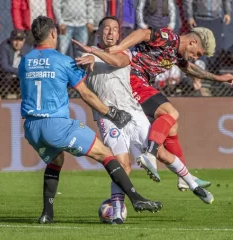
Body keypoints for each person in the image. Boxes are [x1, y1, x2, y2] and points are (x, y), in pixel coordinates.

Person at [19, 16, 163, 224]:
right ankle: (136, 198)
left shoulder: (25, 61)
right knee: (106, 154)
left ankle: (47, 214)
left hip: (32, 128)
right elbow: (87, 95)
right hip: (57, 125)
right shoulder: (63, 61)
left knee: (56, 161)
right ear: (53, 34)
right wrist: (111, 113)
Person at [73, 16, 214, 223]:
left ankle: (193, 185)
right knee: (123, 165)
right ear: (98, 32)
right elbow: (79, 82)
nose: (111, 33)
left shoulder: (123, 52)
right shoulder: (84, 55)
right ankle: (118, 212)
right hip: (109, 117)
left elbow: (118, 61)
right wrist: (90, 56)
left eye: (115, 29)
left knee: (163, 154)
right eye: (106, 29)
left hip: (133, 112)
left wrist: (96, 54)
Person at [106, 26, 233, 190]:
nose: (195, 58)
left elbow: (189, 68)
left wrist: (218, 78)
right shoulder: (170, 38)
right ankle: (150, 154)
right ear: (193, 42)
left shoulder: (176, 54)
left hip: (141, 83)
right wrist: (120, 47)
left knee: (172, 126)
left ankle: (184, 176)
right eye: (197, 53)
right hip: (132, 79)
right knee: (171, 113)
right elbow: (143, 33)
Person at [0, 29, 32, 99]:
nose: (18, 43)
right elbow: (4, 67)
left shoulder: (27, 48)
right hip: (3, 76)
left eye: (20, 40)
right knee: (7, 76)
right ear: (10, 40)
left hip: (18, 76)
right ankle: (5, 95)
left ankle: (24, 96)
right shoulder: (3, 48)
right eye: (15, 40)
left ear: (24, 40)